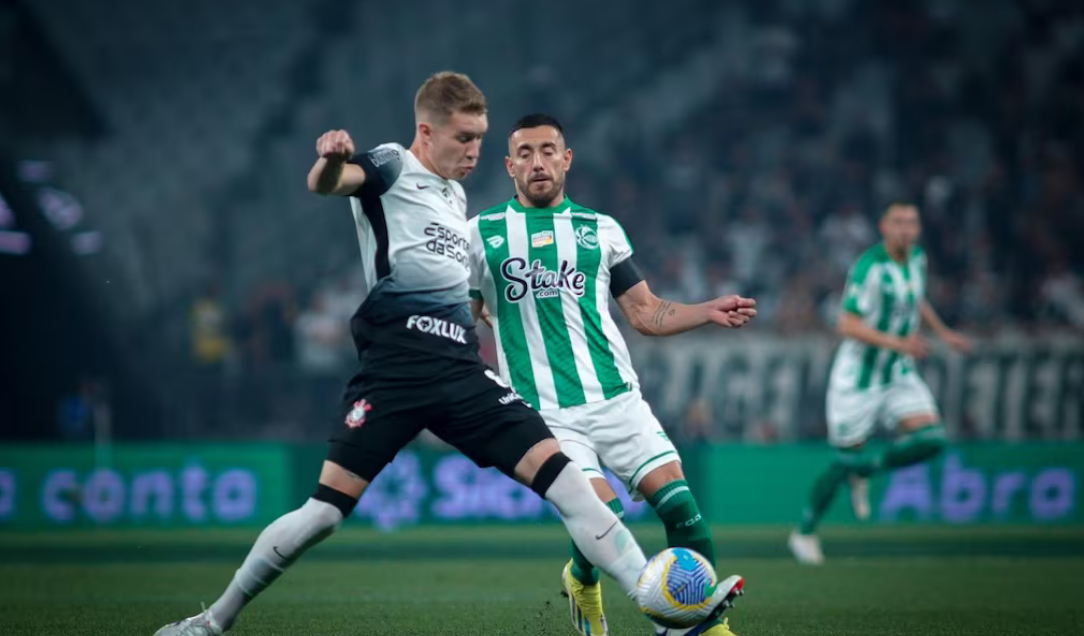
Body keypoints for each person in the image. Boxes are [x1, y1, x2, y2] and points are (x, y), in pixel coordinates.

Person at [153, 73, 732, 636]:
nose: (476, 150)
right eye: (465, 138)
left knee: (570, 487)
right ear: (426, 133)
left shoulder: (456, 199)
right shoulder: (390, 164)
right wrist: (331, 157)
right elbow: (328, 183)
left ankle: (664, 615)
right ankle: (211, 622)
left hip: (461, 373)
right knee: (325, 512)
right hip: (396, 372)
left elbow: (468, 295)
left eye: (480, 138)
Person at [468, 113, 756, 636]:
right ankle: (688, 624)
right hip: (543, 412)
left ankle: (609, 588)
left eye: (548, 150)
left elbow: (646, 314)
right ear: (509, 166)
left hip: (617, 399)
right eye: (526, 153)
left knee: (683, 510)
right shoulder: (481, 234)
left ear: (566, 159)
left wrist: (705, 310)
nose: (538, 162)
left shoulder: (600, 230)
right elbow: (461, 317)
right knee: (602, 515)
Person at [788, 203, 973, 565]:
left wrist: (944, 333)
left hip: (897, 374)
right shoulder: (869, 268)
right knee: (843, 459)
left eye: (912, 223)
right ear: (884, 227)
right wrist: (900, 343)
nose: (907, 229)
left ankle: (867, 470)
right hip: (857, 379)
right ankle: (804, 532)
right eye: (899, 223)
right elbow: (846, 324)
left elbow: (916, 301)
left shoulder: (917, 259)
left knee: (933, 439)